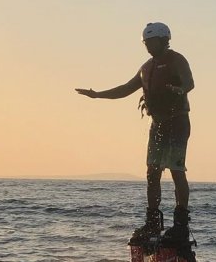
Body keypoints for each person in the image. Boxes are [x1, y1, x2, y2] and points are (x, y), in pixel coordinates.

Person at [76, 22, 194, 247]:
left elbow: (189, 82)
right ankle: (153, 222)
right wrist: (97, 95)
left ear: (164, 40)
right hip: (157, 124)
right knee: (152, 173)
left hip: (177, 122)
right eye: (146, 43)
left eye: (152, 42)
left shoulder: (177, 60)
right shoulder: (145, 67)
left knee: (176, 170)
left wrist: (181, 89)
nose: (148, 46)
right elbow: (125, 89)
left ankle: (180, 225)